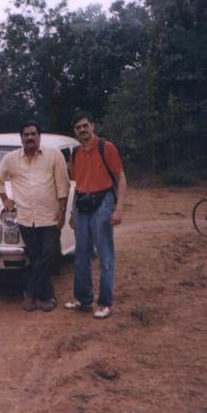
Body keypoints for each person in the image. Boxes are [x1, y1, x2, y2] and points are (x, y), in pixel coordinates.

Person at [0, 121, 70, 312]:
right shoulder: (11, 159)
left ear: (39, 136)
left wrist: (62, 211)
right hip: (26, 218)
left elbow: (63, 185)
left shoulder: (54, 155)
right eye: (26, 135)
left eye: (33, 134)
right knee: (35, 257)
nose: (30, 137)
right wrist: (5, 200)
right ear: (21, 138)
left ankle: (30, 292)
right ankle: (46, 296)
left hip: (49, 216)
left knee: (50, 255)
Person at [64, 111, 127, 319]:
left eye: (85, 125)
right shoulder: (75, 153)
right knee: (81, 253)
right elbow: (78, 184)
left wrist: (118, 209)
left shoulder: (106, 147)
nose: (82, 130)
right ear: (75, 132)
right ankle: (83, 299)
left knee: (105, 254)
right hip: (82, 204)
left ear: (93, 126)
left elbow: (121, 178)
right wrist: (73, 212)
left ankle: (105, 303)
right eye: (78, 128)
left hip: (103, 202)